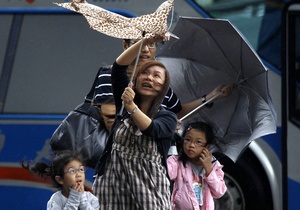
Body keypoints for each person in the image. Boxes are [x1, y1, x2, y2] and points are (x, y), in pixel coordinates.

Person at [92, 37, 178, 209]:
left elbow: (151, 129)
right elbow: (118, 68)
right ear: (136, 80)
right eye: (145, 73)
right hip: (112, 187)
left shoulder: (167, 117)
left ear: (163, 87)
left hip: (149, 190)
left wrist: (131, 106)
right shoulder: (123, 100)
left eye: (156, 76)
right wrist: (147, 41)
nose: (149, 78)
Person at [94, 39, 235, 120]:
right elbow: (110, 116)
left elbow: (178, 111)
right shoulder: (108, 75)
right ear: (125, 46)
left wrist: (211, 97)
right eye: (138, 43)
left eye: (151, 44)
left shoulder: (158, 84)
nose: (145, 50)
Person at [167, 122, 227, 210]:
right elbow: (168, 173)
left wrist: (209, 170)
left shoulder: (214, 165)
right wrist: (170, 139)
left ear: (207, 146)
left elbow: (219, 192)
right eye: (187, 140)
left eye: (198, 142)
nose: (191, 145)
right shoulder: (177, 161)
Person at [21, 150, 99, 210]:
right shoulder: (56, 200)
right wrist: (74, 199)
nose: (79, 174)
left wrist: (83, 200)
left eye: (81, 169)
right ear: (60, 180)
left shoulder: (91, 198)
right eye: (72, 171)